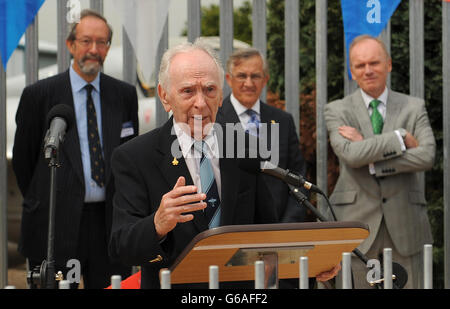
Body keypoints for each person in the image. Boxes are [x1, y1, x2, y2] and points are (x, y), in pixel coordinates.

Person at [109, 40, 339, 289]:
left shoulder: (245, 148)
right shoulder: (134, 157)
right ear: (165, 97)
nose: (200, 102)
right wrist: (158, 224)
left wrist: (309, 269)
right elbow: (121, 247)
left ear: (220, 96)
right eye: (188, 91)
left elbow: (266, 239)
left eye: (209, 90)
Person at [12, 9, 138, 289]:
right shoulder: (39, 96)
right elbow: (24, 163)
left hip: (109, 226)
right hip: (54, 225)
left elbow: (129, 156)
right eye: (86, 41)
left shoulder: (124, 95)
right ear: (70, 45)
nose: (94, 50)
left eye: (102, 42)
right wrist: (49, 196)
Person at [324, 35, 436, 289]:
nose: (368, 70)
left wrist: (370, 154)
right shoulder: (337, 109)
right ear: (352, 72)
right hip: (357, 227)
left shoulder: (413, 107)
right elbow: (351, 156)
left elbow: (427, 155)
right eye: (360, 66)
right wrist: (399, 138)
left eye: (374, 63)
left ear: (389, 64)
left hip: (405, 227)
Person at [217, 48, 308, 223]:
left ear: (265, 80)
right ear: (229, 79)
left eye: (255, 76)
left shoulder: (283, 121)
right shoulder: (214, 122)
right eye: (242, 76)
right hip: (232, 230)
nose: (249, 83)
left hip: (278, 229)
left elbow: (297, 178)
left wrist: (288, 226)